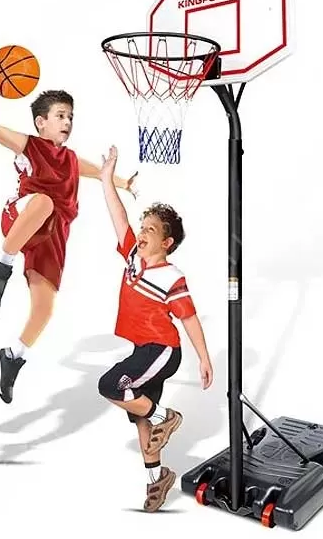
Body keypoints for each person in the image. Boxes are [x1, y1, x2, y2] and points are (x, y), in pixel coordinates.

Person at [0, 69, 137, 404]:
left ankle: (12, 357)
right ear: (41, 122)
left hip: (52, 235)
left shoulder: (71, 159)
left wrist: (122, 182)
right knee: (45, 202)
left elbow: (96, 172)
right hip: (22, 216)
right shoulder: (30, 146)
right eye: (60, 115)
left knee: (44, 309)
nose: (67, 122)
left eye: (70, 116)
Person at [97, 145, 214, 512]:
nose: (141, 232)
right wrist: (106, 179)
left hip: (163, 350)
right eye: (142, 227)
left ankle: (168, 416)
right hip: (143, 349)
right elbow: (118, 214)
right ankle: (156, 480)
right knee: (140, 417)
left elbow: (189, 318)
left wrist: (204, 358)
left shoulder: (171, 276)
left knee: (111, 385)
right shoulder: (133, 256)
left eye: (150, 229)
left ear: (167, 242)